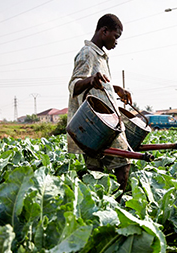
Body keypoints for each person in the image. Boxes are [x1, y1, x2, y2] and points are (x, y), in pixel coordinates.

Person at [67, 14, 133, 199]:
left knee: (96, 173)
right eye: (116, 36)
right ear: (104, 31)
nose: (116, 42)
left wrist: (115, 88)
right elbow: (74, 85)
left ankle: (100, 210)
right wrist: (90, 80)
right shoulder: (87, 53)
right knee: (123, 164)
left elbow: (98, 83)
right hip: (95, 124)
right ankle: (116, 206)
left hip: (100, 123)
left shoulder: (101, 56)